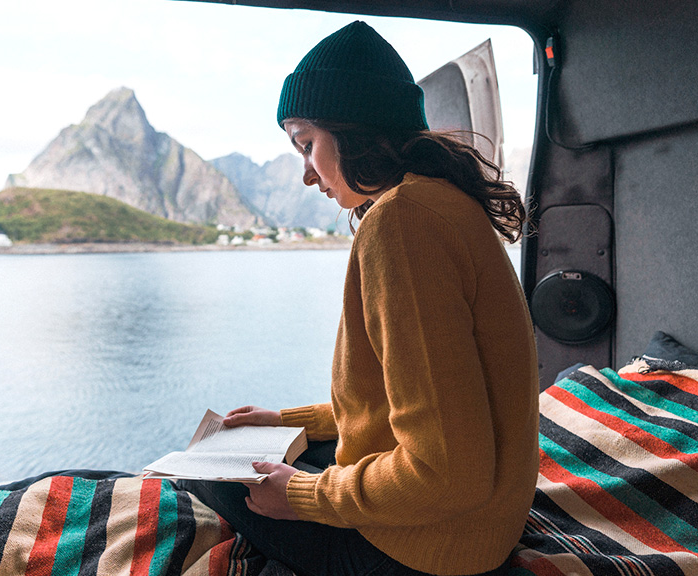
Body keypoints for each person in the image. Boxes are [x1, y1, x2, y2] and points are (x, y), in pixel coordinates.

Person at [179, 20, 538, 576]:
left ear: (353, 131)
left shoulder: (401, 223)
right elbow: (418, 406)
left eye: (306, 146)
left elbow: (447, 473)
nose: (306, 175)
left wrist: (301, 497)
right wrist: (286, 421)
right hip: (486, 521)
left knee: (206, 473)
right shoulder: (438, 202)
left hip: (432, 550)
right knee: (265, 455)